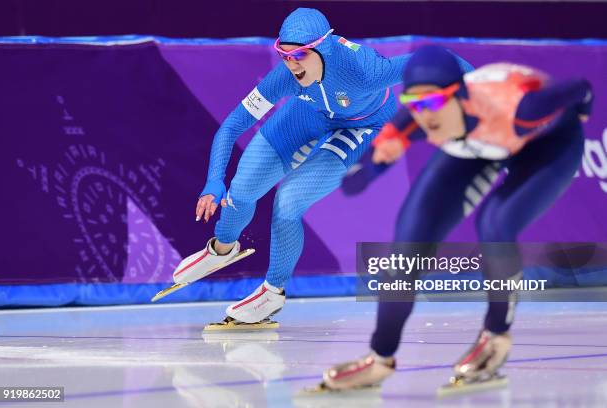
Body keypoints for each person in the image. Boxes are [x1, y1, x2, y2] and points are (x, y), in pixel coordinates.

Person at [170, 8, 474, 327]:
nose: (291, 63)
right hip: (309, 113)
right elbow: (232, 126)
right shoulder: (285, 77)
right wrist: (213, 181)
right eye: (284, 54)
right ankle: (222, 248)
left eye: (300, 54)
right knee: (241, 189)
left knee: (288, 202)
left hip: (361, 126)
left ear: (323, 46)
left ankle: (272, 294)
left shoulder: (364, 70)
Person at [320, 44, 593, 390]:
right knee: (406, 246)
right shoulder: (418, 119)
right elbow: (363, 175)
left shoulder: (521, 109)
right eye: (414, 104)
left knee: (495, 224)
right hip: (477, 141)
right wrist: (366, 171)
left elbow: (581, 87)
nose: (424, 115)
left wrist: (584, 112)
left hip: (548, 145)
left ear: (459, 95)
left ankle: (495, 338)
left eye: (432, 102)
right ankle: (380, 357)